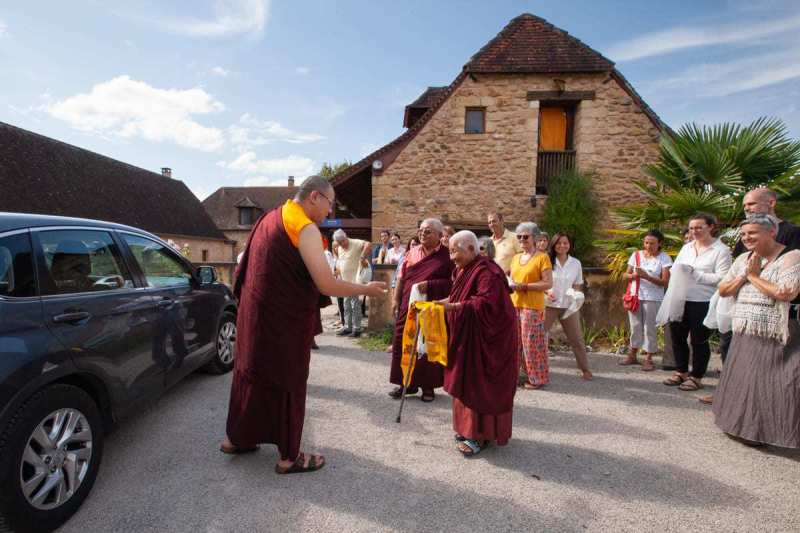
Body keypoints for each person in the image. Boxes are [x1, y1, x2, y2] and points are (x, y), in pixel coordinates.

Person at [222, 176, 385, 474]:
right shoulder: (304, 227)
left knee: (250, 375)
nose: (331, 212)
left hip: (254, 317)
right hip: (283, 321)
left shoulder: (271, 217)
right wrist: (366, 290)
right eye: (330, 203)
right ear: (314, 197)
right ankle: (289, 457)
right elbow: (326, 284)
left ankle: (237, 438)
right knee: (288, 381)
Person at [702, 187, 800, 404]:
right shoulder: (745, 235)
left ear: (771, 203)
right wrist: (742, 278)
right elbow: (739, 268)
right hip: (742, 310)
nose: (747, 209)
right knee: (734, 354)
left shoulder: (793, 234)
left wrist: (754, 277)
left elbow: (787, 281)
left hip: (776, 315)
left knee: (774, 371)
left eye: (752, 204)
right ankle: (729, 393)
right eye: (745, 205)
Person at [714, 214, 800, 448]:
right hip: (744, 327)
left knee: (777, 383)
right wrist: (744, 275)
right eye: (743, 234)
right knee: (746, 382)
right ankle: (742, 428)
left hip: (776, 330)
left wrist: (753, 276)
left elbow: (786, 292)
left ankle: (772, 433)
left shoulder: (791, 257)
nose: (746, 238)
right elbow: (723, 289)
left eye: (752, 233)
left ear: (771, 232)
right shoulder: (743, 258)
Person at [437, 231, 519, 456]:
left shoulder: (487, 272)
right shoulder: (464, 270)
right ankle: (466, 430)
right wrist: (438, 304)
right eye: (450, 251)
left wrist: (453, 308)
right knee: (465, 380)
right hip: (468, 336)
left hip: (489, 340)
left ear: (472, 249)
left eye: (456, 251)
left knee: (478, 384)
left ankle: (478, 436)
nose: (452, 257)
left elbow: (486, 304)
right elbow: (458, 298)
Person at [661, 214, 732, 392]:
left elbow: (723, 278)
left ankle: (697, 376)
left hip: (703, 300)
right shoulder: (687, 248)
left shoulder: (721, 250)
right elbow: (676, 268)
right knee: (677, 336)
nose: (695, 231)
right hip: (680, 298)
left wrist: (696, 274)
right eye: (692, 228)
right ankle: (681, 371)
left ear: (711, 227)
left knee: (699, 340)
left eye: (699, 227)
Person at [389, 218, 454, 402]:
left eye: (428, 231)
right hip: (408, 306)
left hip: (431, 307)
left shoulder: (447, 257)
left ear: (440, 236)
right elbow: (402, 278)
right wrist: (395, 300)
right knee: (404, 342)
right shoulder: (411, 253)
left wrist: (431, 285)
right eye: (421, 230)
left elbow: (453, 283)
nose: (423, 233)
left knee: (427, 346)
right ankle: (406, 383)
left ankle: (428, 387)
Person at [620, 229, 672, 371]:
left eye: (652, 243)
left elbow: (665, 282)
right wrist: (631, 276)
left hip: (653, 298)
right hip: (635, 295)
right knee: (635, 326)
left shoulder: (664, 258)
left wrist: (646, 276)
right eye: (646, 242)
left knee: (649, 328)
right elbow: (626, 274)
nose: (648, 246)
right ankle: (633, 354)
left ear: (659, 243)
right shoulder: (636, 255)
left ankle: (649, 358)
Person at [510, 222, 553, 389]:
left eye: (525, 236)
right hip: (515, 304)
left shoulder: (542, 257)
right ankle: (520, 375)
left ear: (534, 238)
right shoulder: (515, 258)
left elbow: (548, 283)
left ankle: (537, 379)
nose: (522, 239)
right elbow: (513, 279)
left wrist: (525, 286)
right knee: (516, 343)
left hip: (532, 307)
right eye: (519, 236)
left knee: (532, 345)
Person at [544, 233, 592, 380]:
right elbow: (541, 281)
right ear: (553, 245)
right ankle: (530, 369)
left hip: (569, 306)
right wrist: (547, 292)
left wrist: (576, 295)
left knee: (576, 338)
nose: (562, 246)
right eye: (558, 243)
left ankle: (585, 369)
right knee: (538, 337)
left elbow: (578, 285)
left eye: (565, 243)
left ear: (569, 245)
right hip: (549, 304)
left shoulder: (576, 263)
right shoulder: (546, 260)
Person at [332, 229, 371, 338]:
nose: (342, 244)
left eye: (343, 242)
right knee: (346, 306)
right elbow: (341, 262)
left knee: (355, 306)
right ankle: (348, 327)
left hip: (354, 281)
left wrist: (362, 257)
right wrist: (337, 272)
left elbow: (368, 244)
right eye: (339, 243)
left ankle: (357, 328)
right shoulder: (339, 248)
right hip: (345, 282)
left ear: (346, 237)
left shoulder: (355, 242)